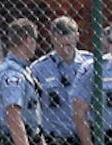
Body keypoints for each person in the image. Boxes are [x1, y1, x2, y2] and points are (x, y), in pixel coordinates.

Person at [30, 17, 93, 145]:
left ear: (77, 37)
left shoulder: (92, 64)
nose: (65, 50)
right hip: (56, 139)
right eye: (61, 45)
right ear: (52, 39)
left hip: (88, 138)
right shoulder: (38, 69)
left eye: (69, 45)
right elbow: (31, 108)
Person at [0, 19, 43, 145]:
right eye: (35, 40)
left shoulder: (24, 71)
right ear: (28, 40)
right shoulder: (13, 74)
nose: (35, 45)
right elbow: (13, 116)